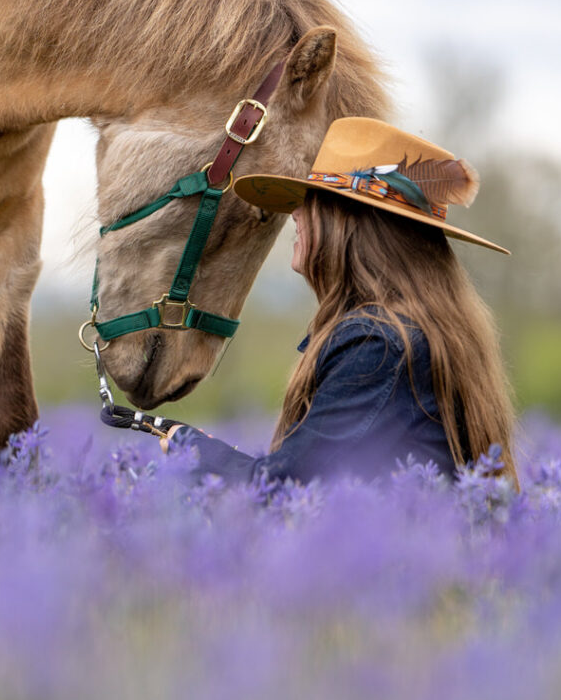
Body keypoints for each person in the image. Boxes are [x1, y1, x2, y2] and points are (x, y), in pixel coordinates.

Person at [164, 117, 518, 488]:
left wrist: (195, 452)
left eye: (311, 202)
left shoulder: (379, 343)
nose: (295, 214)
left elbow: (286, 488)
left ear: (351, 224)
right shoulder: (410, 330)